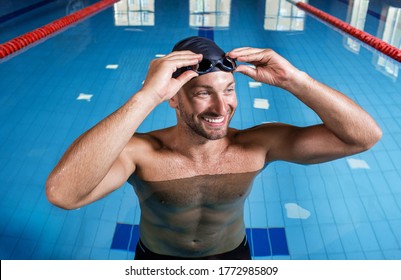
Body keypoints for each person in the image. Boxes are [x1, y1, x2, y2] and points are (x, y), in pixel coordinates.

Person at [46, 36, 382, 260]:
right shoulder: (141, 153)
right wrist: (146, 96)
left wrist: (296, 80)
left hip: (233, 258)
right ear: (173, 99)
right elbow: (64, 195)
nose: (222, 108)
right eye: (204, 93)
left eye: (229, 90)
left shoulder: (258, 145)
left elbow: (363, 137)